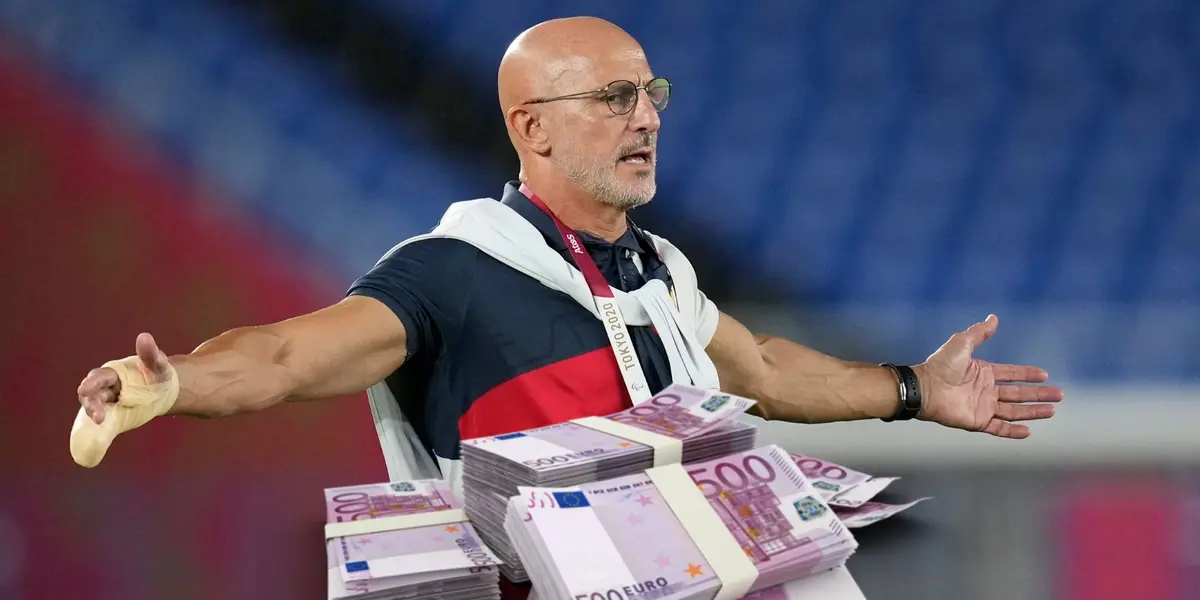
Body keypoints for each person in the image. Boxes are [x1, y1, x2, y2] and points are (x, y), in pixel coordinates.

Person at [72, 15, 1062, 598]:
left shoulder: (660, 273)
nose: (649, 117)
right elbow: (290, 357)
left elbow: (759, 368)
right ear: (531, 128)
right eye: (615, 98)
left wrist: (910, 389)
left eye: (652, 93)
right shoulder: (454, 270)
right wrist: (174, 385)